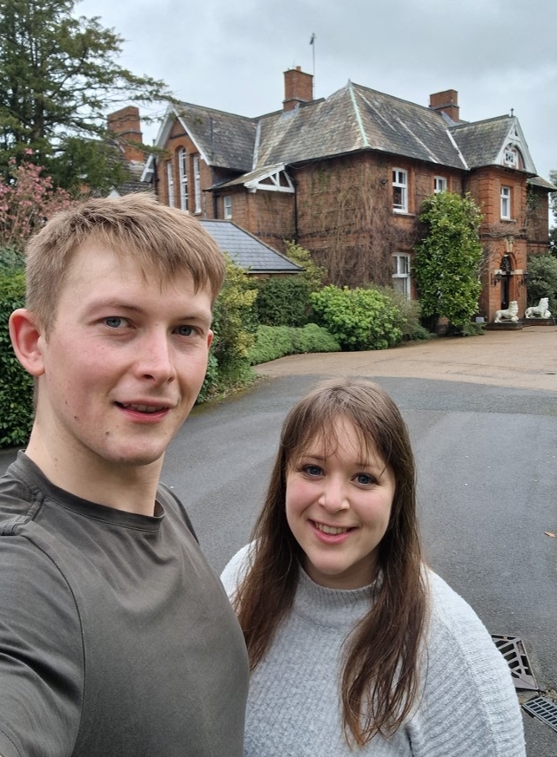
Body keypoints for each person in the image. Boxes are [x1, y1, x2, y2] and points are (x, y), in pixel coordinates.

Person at [0, 194, 248, 757]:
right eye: (117, 322)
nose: (160, 366)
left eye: (185, 330)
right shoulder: (22, 572)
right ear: (33, 342)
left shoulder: (167, 511)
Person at [221, 378, 526, 756]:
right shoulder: (242, 576)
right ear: (283, 477)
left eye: (364, 478)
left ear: (398, 494)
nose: (333, 501)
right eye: (313, 469)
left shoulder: (452, 653)